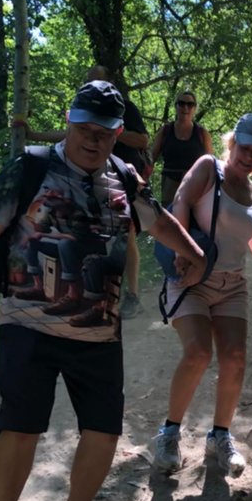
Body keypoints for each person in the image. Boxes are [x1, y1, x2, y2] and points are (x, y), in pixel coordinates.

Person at [0, 81, 206, 501]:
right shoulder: (31, 168)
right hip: (28, 326)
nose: (93, 139)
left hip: (99, 333)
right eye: (84, 128)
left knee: (102, 433)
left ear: (118, 133)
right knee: (20, 430)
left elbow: (158, 221)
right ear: (68, 121)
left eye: (104, 131)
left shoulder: (124, 176)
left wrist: (194, 252)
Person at [153, 113, 252, 477]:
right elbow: (180, 202)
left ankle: (219, 436)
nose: (249, 157)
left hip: (233, 285)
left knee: (235, 359)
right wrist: (184, 251)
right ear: (232, 143)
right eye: (245, 148)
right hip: (193, 278)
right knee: (198, 352)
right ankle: (168, 434)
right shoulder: (208, 168)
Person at [18, 65, 150, 319]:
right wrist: (33, 134)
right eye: (88, 82)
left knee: (127, 236)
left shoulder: (126, 108)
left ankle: (132, 295)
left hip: (121, 181)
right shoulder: (82, 112)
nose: (93, 87)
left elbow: (143, 140)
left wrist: (110, 129)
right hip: (89, 181)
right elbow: (68, 136)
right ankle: (62, 291)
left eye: (98, 81)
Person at [150, 90, 214, 206]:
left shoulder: (202, 133)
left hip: (195, 188)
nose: (185, 107)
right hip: (169, 189)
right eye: (181, 103)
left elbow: (211, 164)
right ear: (176, 106)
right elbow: (151, 158)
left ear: (195, 108)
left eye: (190, 104)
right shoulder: (165, 131)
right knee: (170, 217)